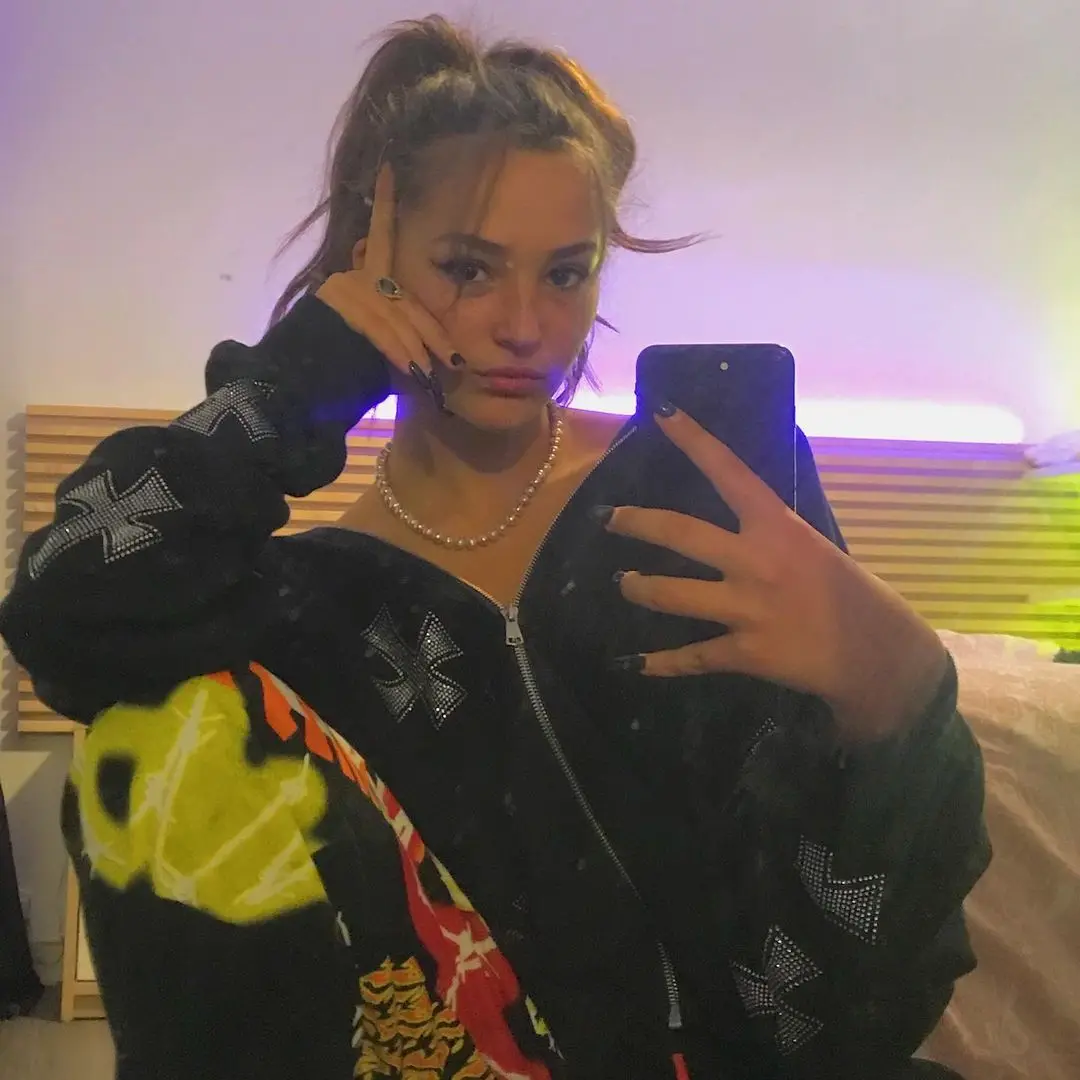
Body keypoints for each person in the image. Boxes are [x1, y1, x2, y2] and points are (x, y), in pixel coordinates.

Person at [0, 14, 987, 1080]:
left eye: (566, 274)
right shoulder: (312, 598)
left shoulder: (701, 486)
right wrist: (298, 378)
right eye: (469, 269)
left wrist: (902, 691)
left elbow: (865, 969)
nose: (525, 324)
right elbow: (64, 610)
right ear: (371, 261)